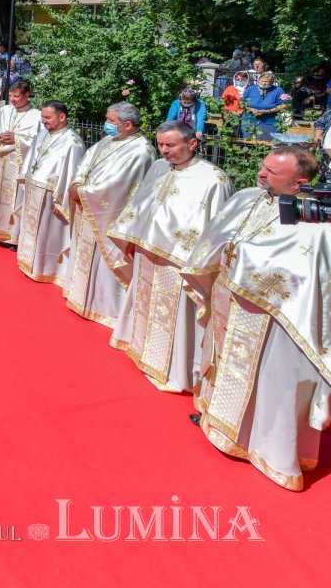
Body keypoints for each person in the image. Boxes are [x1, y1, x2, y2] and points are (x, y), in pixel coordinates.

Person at [184, 146, 330, 490]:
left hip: (277, 317)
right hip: (230, 299)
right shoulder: (249, 197)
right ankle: (219, 422)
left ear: (300, 183)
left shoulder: (319, 224)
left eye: (273, 173)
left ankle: (267, 448)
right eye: (263, 168)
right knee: (221, 359)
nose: (262, 175)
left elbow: (313, 278)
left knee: (271, 383)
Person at [106, 121, 233, 392]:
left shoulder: (213, 179)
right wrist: (131, 236)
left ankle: (177, 369)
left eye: (171, 145)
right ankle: (143, 350)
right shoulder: (160, 168)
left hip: (179, 262)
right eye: (161, 144)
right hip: (147, 251)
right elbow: (141, 203)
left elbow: (216, 229)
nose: (164, 151)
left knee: (177, 317)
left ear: (192, 144)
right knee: (146, 304)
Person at [63, 102, 156, 327]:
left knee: (105, 261)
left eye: (111, 121)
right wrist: (76, 182)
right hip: (88, 206)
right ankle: (80, 295)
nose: (106, 125)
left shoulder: (141, 151)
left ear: (127, 124)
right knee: (85, 254)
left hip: (109, 213)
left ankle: (105, 306)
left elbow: (119, 186)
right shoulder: (108, 140)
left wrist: (83, 192)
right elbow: (86, 161)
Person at [15, 101, 88, 284]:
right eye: (42, 116)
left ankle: (47, 269)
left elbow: (72, 175)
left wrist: (63, 202)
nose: (43, 121)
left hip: (52, 196)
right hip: (34, 190)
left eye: (48, 117)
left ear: (62, 117)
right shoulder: (42, 134)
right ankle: (29, 263)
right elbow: (32, 158)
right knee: (32, 231)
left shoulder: (73, 142)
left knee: (48, 235)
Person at [0, 80, 42, 244]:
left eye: (16, 96)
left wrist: (17, 139)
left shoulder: (36, 116)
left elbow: (39, 141)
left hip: (19, 164)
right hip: (0, 161)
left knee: (17, 199)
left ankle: (13, 236)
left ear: (27, 96)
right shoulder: (4, 110)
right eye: (10, 96)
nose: (13, 99)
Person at [241, 71, 286, 140]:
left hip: (269, 122)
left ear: (271, 82)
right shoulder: (251, 88)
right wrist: (251, 109)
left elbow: (284, 105)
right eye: (261, 81)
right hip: (249, 121)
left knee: (267, 144)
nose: (263, 83)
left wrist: (268, 111)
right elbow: (241, 102)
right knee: (247, 142)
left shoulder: (278, 90)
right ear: (258, 80)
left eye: (266, 81)